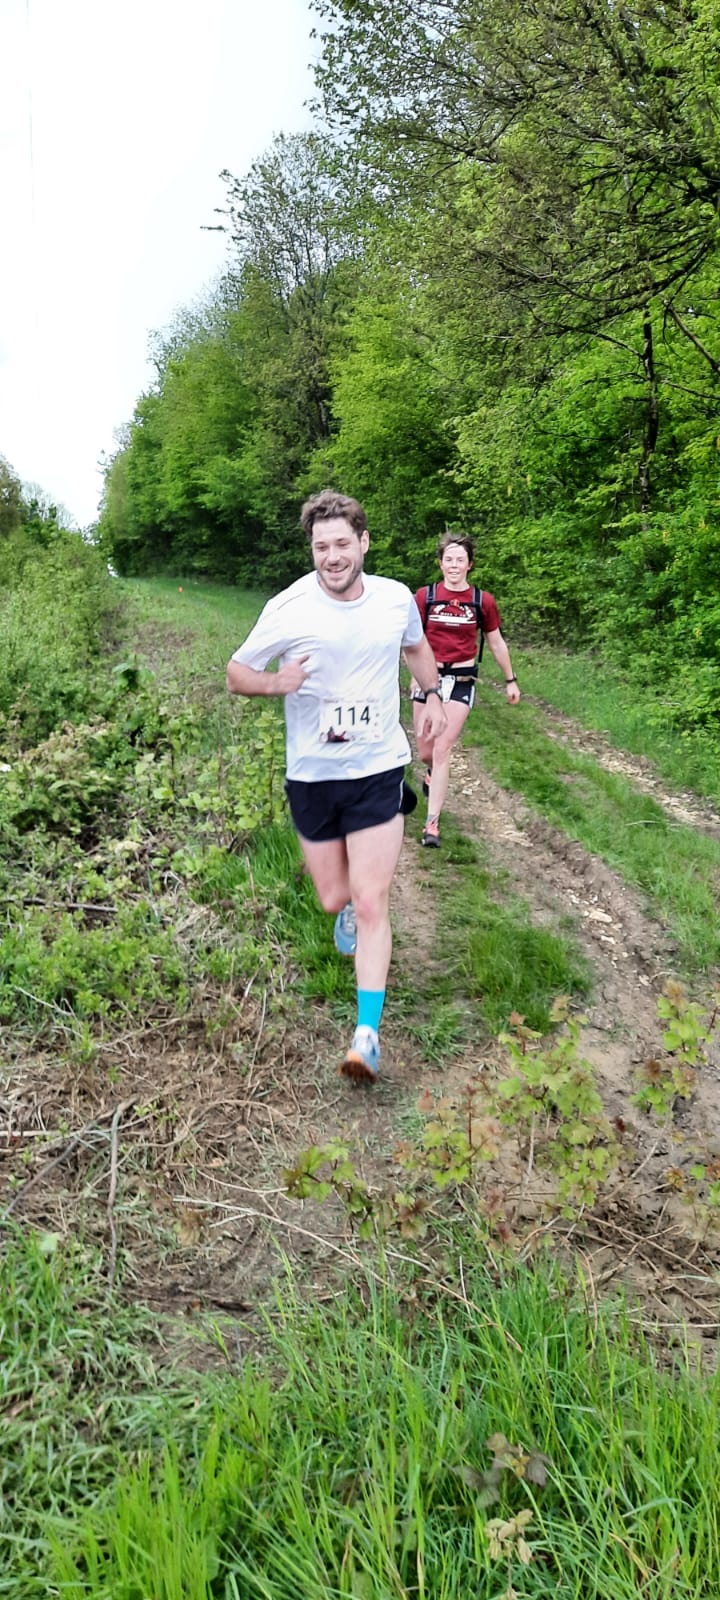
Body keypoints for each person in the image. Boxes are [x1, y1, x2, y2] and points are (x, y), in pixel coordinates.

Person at [226, 490, 447, 1083]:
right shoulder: (288, 607)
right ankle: (344, 905)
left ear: (363, 543)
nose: (332, 556)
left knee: (374, 900)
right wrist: (276, 684)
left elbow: (416, 647)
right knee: (334, 897)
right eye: (321, 546)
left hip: (377, 767)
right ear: (312, 549)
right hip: (314, 775)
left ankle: (366, 1036)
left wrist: (430, 696)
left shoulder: (394, 599)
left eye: (342, 543)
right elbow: (236, 673)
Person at [411, 532, 520, 847]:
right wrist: (415, 675)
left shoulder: (482, 601)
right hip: (428, 679)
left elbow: (495, 642)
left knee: (442, 748)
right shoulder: (425, 597)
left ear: (469, 564)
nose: (454, 565)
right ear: (440, 563)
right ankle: (430, 771)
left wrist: (510, 679)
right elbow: (412, 641)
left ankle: (432, 824)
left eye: (460, 560)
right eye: (448, 559)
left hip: (461, 680)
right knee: (426, 751)